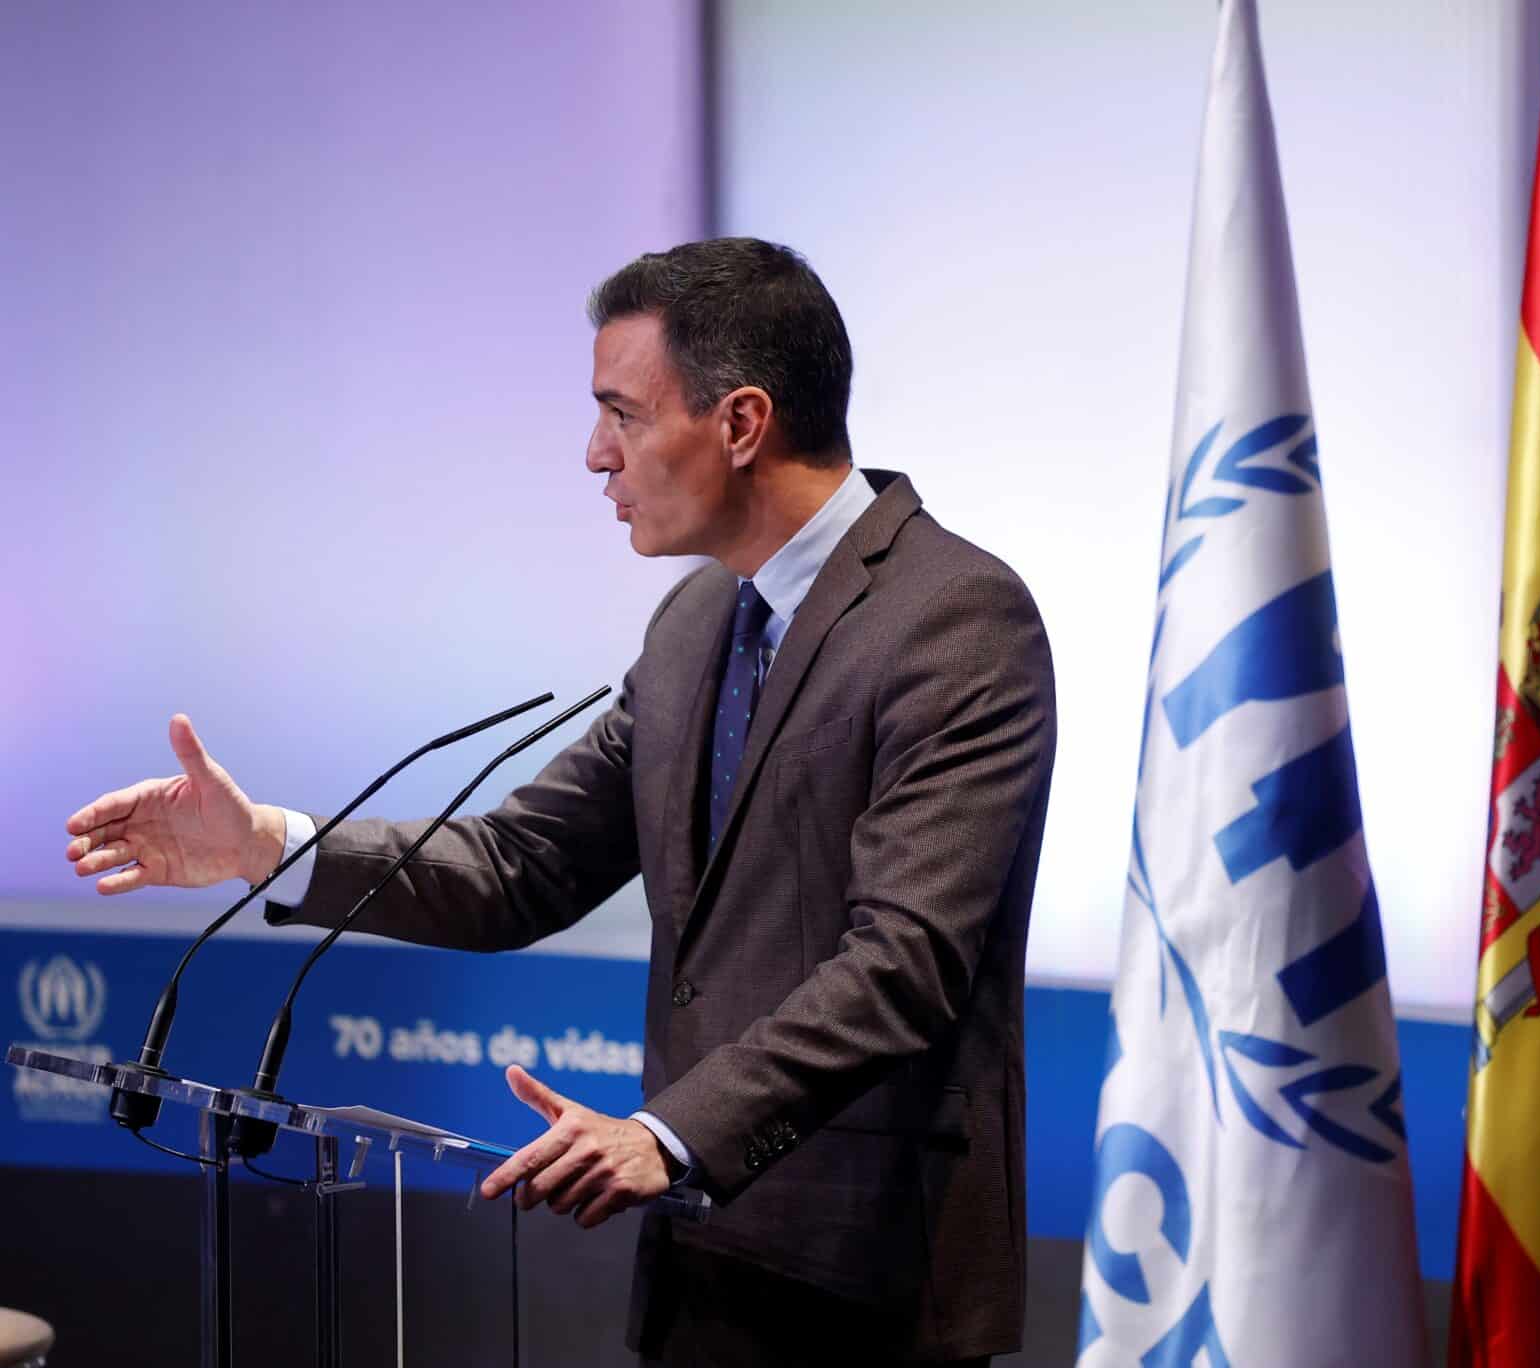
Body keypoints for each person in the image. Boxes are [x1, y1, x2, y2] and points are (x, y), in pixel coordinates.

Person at [60, 238, 1058, 1367]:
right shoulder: (692, 627)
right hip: (695, 1265)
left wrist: (670, 1133)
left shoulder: (954, 619)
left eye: (621, 414)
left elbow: (906, 963)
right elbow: (520, 864)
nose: (595, 455)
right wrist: (270, 847)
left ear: (739, 424)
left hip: (868, 1281)